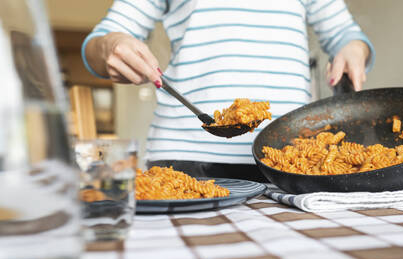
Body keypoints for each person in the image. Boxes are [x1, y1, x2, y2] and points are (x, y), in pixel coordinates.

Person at [82, 0, 375, 181]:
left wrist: (352, 48)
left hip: (291, 158)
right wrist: (110, 45)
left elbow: (344, 33)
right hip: (184, 159)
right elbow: (103, 40)